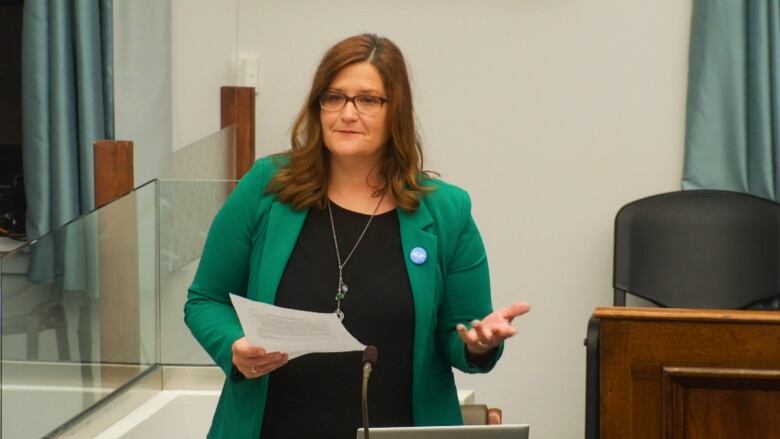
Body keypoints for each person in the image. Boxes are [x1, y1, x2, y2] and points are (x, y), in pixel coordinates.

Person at [184, 33, 530, 439]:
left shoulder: (446, 211)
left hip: (396, 428)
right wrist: (233, 348)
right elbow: (205, 300)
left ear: (395, 111)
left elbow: (459, 338)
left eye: (367, 100)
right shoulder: (267, 187)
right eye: (334, 97)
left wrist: (479, 344)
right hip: (274, 427)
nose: (347, 113)